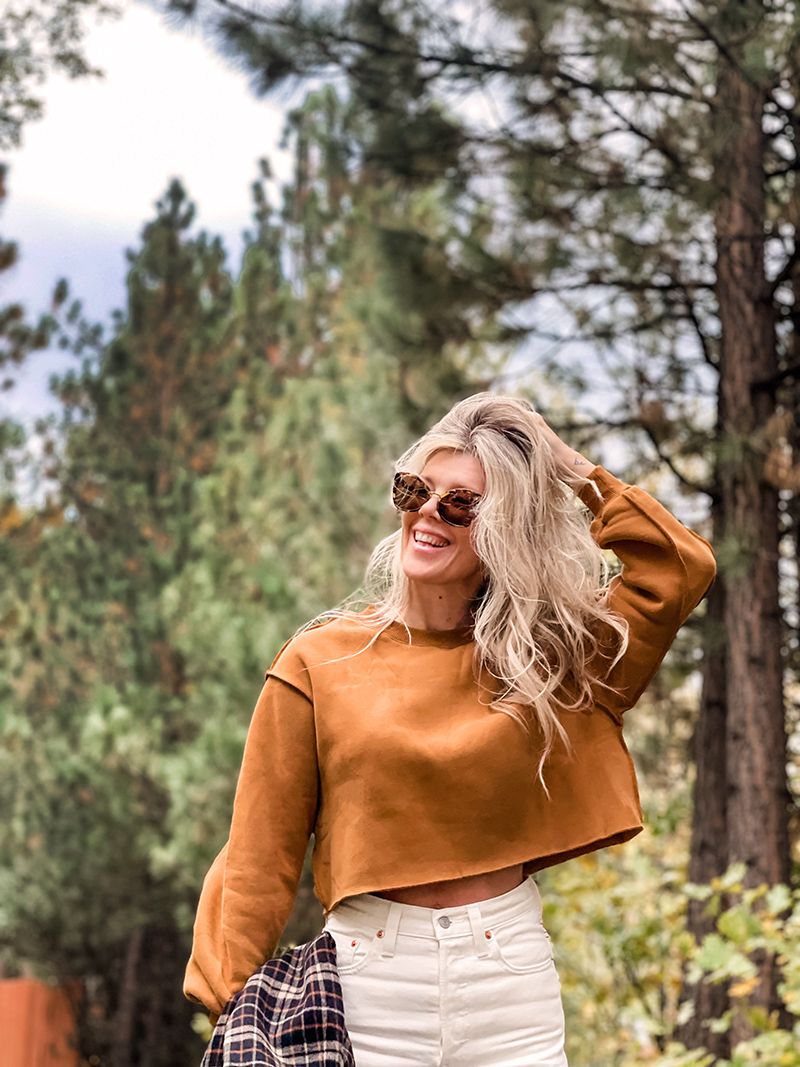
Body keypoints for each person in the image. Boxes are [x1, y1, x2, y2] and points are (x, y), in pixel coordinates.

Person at [184, 393, 716, 1066]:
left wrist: (570, 468)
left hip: (509, 982)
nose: (427, 513)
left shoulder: (547, 661)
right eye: (415, 490)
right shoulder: (320, 659)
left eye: (460, 502)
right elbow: (259, 854)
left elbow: (678, 567)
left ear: (504, 531)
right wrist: (232, 1008)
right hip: (366, 983)